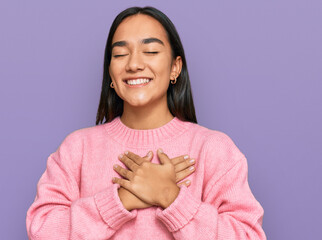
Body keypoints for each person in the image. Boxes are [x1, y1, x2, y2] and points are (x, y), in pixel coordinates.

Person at [26, 6, 266, 240]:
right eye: (120, 54)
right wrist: (124, 198)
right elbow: (42, 230)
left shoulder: (215, 150)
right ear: (110, 73)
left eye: (150, 51)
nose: (133, 64)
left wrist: (169, 195)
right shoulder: (76, 149)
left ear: (175, 68)